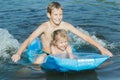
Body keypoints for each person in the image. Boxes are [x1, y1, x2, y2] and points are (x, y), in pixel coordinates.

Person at [11, 2, 113, 64]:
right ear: (48, 15)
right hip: (47, 53)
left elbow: (84, 37)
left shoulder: (66, 25)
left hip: (63, 50)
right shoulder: (44, 27)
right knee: (38, 61)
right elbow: (29, 39)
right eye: (55, 14)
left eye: (60, 14)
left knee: (75, 58)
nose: (58, 17)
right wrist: (18, 53)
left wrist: (101, 48)